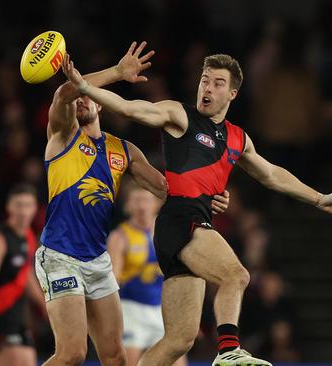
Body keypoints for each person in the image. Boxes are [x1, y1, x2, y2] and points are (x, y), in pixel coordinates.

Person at [62, 50, 332, 366]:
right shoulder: (180, 115)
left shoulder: (237, 139)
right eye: (205, 80)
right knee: (237, 275)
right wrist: (85, 87)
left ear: (232, 93)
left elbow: (272, 174)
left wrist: (317, 198)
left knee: (179, 340)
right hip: (180, 220)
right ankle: (229, 350)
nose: (208, 88)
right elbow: (132, 109)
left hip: (188, 227)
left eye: (218, 83)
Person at [35, 41, 231, 366]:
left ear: (101, 106)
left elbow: (168, 189)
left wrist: (208, 195)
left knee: (115, 358)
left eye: (90, 96)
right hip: (60, 257)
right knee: (72, 354)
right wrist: (116, 73)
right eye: (80, 93)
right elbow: (62, 95)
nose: (82, 98)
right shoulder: (62, 137)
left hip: (97, 262)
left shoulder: (123, 151)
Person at [107, 183, 190, 366]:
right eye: (136, 201)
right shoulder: (120, 237)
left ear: (156, 204)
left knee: (178, 362)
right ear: (128, 205)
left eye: (145, 200)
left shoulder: (169, 233)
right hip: (131, 309)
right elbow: (113, 279)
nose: (141, 206)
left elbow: (182, 275)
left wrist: (187, 313)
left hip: (163, 310)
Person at [0, 184, 45, 366]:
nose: (23, 211)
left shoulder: (29, 236)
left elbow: (25, 274)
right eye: (18, 205)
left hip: (19, 317)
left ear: (35, 208)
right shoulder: (0, 239)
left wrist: (44, 304)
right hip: (1, 316)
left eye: (28, 205)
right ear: (9, 207)